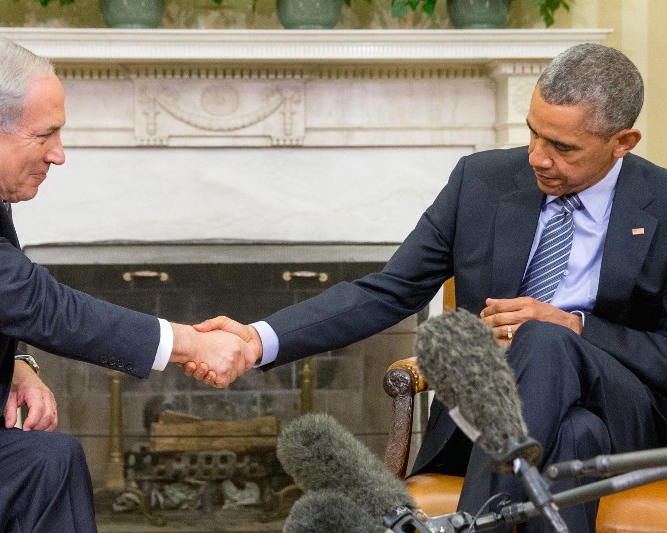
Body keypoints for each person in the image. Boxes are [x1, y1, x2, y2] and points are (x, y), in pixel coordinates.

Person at [191, 43, 667, 532]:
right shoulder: (481, 181)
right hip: (486, 420)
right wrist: (258, 338)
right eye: (533, 133)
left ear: (622, 141)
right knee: (572, 434)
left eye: (562, 148)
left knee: (546, 340)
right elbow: (390, 290)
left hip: (624, 417)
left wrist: (575, 327)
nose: (537, 158)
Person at [0, 37, 255, 533]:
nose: (59, 155)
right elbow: (35, 302)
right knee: (43, 463)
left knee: (52, 461)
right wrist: (188, 342)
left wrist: (20, 363)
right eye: (46, 135)